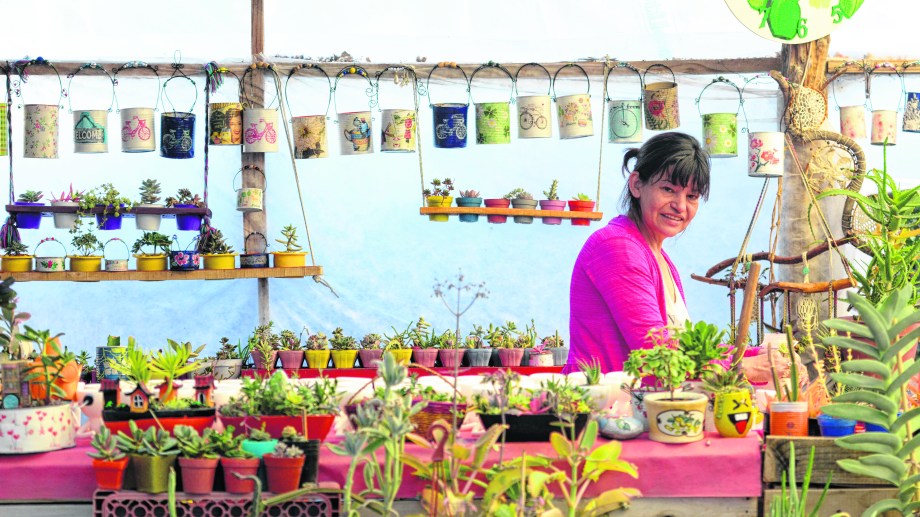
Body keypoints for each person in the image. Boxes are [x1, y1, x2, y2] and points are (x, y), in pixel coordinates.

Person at [563, 132, 711, 374]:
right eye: (668, 189)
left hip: (638, 397)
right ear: (636, 185)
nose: (680, 206)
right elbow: (655, 352)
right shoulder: (617, 247)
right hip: (604, 397)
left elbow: (688, 349)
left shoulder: (659, 257)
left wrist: (754, 355)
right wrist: (739, 365)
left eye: (692, 196)